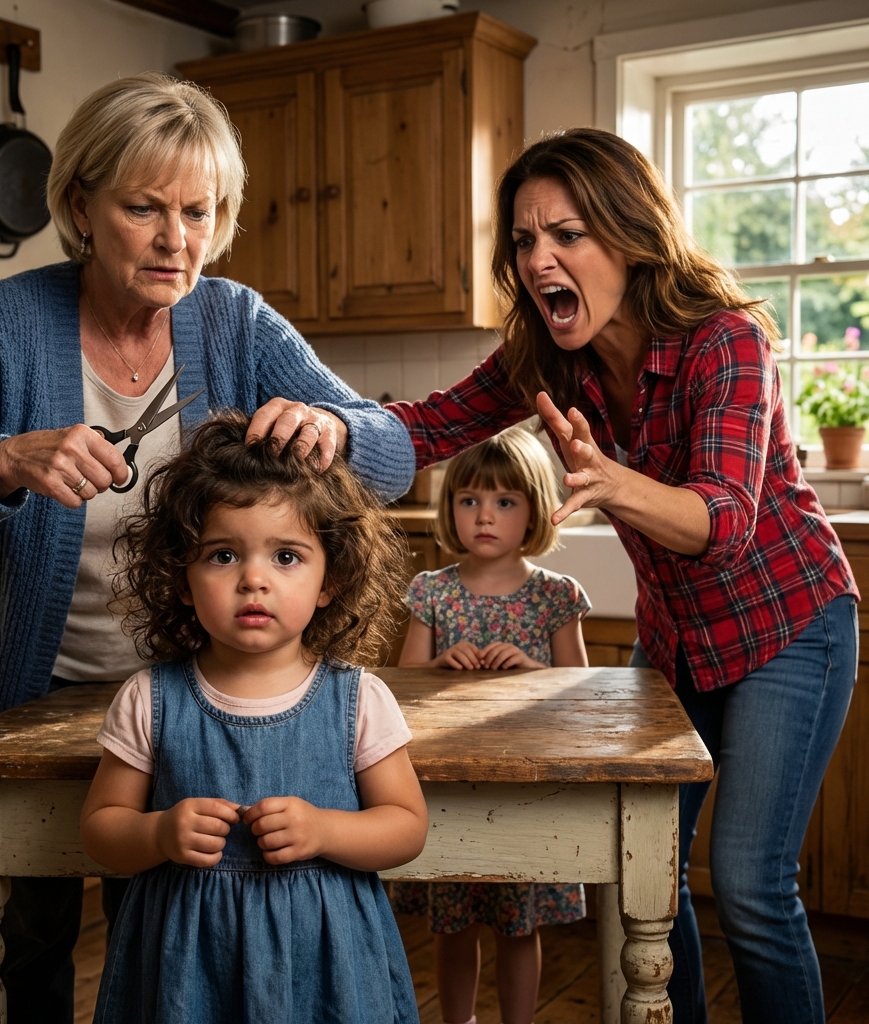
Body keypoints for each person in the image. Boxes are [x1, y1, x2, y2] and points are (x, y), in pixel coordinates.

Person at [0, 74, 414, 1024]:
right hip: (30, 704)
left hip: (191, 699)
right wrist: (0, 463)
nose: (176, 239)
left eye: (198, 211)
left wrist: (332, 426)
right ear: (80, 205)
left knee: (167, 924)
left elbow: (396, 454)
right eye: (145, 208)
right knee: (26, 937)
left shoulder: (234, 321)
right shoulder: (1, 324)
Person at [384, 128, 858, 1024]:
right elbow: (432, 423)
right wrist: (321, 425)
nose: (538, 259)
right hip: (678, 638)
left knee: (753, 888)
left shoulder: (727, 341)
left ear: (630, 236)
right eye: (524, 241)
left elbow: (721, 521)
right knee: (646, 876)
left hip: (788, 627)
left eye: (566, 234)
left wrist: (613, 480)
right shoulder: (551, 356)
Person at [80, 411, 427, 1023]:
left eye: (288, 556)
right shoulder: (148, 699)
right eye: (221, 556)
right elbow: (102, 829)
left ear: (331, 579)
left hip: (327, 971)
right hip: (189, 973)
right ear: (181, 578)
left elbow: (406, 827)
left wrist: (325, 831)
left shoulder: (360, 699)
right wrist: (158, 834)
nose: (254, 580)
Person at [390, 426, 589, 1024]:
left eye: (504, 502)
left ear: (532, 510)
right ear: (450, 509)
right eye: (469, 500)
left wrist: (532, 667)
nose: (484, 516)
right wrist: (437, 665)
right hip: (450, 793)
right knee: (453, 926)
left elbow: (581, 692)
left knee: (516, 924)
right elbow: (402, 688)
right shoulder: (431, 591)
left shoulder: (555, 596)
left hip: (524, 793)